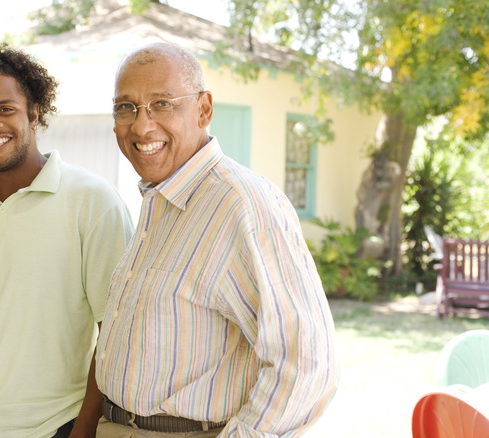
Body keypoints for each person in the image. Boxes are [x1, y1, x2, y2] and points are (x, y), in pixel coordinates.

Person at [94, 43, 339, 437]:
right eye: (127, 108)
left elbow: (307, 362)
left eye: (162, 104)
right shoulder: (159, 199)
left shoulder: (242, 205)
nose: (141, 126)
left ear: (204, 110)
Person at [0, 40, 135, 438]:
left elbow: (118, 339)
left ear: (34, 112)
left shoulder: (93, 203)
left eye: (6, 109)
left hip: (50, 428)